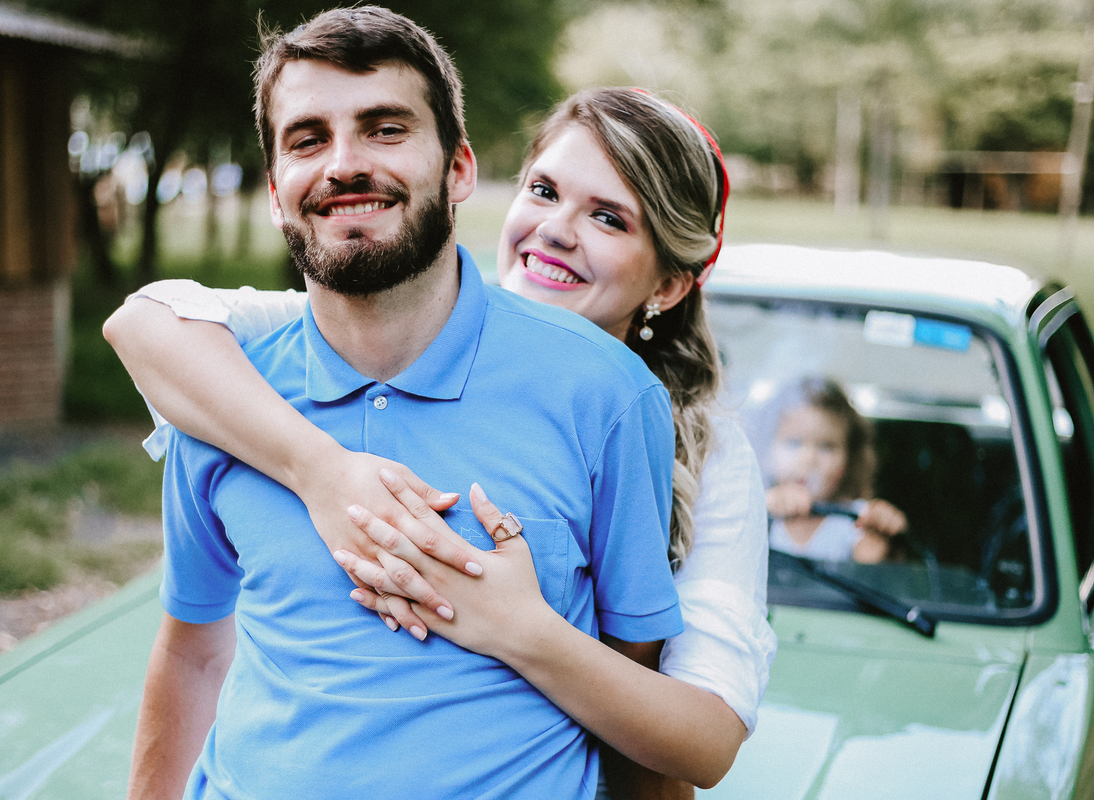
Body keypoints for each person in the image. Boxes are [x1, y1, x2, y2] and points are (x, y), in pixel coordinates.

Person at [107, 85, 773, 797]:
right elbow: (147, 323)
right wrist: (322, 472)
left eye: (608, 217)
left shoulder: (707, 452)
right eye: (543, 190)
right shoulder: (371, 328)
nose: (555, 229)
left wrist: (519, 627)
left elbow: (697, 743)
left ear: (668, 286)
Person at [764, 378, 907, 563]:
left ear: (850, 460)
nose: (808, 460)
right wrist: (762, 506)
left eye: (826, 447)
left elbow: (866, 570)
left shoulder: (859, 520)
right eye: (794, 443)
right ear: (766, 452)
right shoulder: (757, 509)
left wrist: (881, 535)